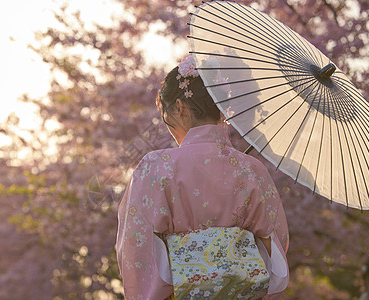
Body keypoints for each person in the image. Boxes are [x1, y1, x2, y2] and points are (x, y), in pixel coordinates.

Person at [116, 55, 289, 299]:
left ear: (179, 107)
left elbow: (136, 247)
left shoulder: (156, 167)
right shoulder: (252, 169)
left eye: (167, 118)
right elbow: (275, 247)